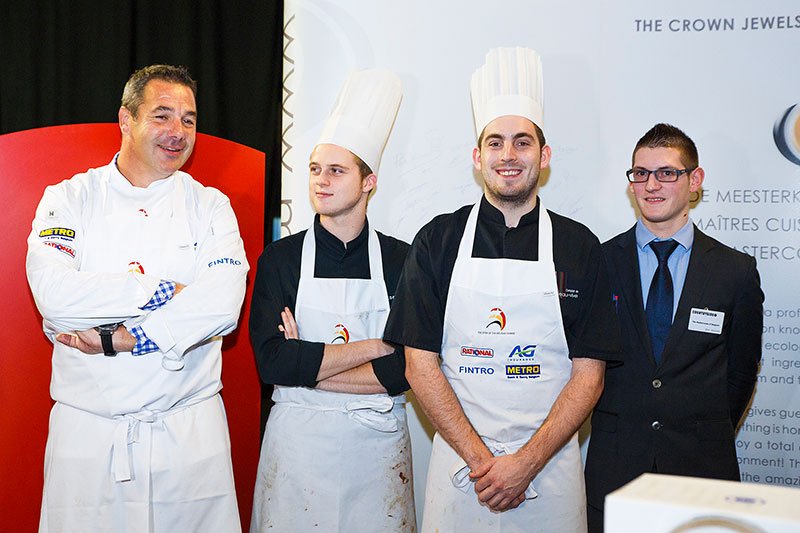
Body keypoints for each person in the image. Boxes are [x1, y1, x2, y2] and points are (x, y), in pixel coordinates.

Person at [383, 47, 620, 532]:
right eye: (495, 143)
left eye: (522, 142)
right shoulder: (437, 240)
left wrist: (526, 463)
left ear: (544, 154)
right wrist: (484, 462)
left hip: (550, 472)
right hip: (463, 473)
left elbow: (589, 375)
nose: (508, 156)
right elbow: (418, 363)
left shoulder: (579, 246)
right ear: (477, 157)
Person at [26, 64, 248, 532]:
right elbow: (55, 296)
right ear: (125, 120)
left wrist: (126, 338)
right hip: (90, 437)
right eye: (162, 115)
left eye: (189, 119)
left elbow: (222, 307)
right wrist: (161, 289)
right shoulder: (69, 199)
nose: (178, 132)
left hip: (189, 436)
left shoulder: (211, 207)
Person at [249, 69, 415, 532]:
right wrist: (376, 345)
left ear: (369, 182)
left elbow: (408, 370)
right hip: (297, 455)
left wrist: (309, 367)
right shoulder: (279, 259)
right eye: (315, 169)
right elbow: (273, 364)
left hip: (378, 457)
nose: (321, 181)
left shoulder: (404, 261)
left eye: (337, 171)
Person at [584, 123, 764, 531]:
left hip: (701, 468)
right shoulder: (598, 263)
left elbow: (740, 372)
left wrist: (701, 429)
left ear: (694, 181)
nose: (652, 184)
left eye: (667, 172)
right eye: (640, 173)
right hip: (615, 468)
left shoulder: (734, 271)